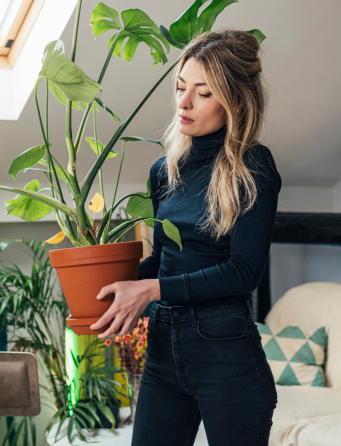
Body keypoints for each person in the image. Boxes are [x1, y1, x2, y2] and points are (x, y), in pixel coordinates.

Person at [89, 30, 281, 445]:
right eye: (180, 88)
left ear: (236, 101)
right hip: (163, 347)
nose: (183, 102)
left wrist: (150, 289)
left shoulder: (253, 166)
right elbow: (165, 259)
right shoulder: (165, 170)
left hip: (226, 352)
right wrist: (108, 289)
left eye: (203, 92)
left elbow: (243, 272)